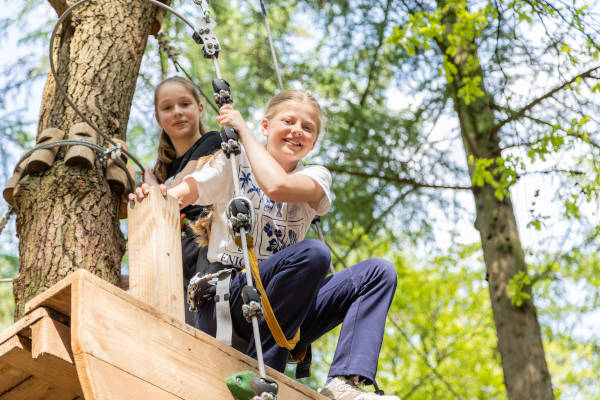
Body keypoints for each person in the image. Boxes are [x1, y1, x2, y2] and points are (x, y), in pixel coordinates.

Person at [133, 90, 399, 399]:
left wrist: (243, 130)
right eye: (288, 121)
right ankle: (268, 367)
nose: (297, 130)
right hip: (232, 299)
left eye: (308, 127)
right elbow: (193, 189)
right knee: (314, 254)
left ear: (313, 142)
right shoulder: (234, 160)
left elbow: (277, 186)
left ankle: (344, 383)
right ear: (266, 127)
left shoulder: (316, 176)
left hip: (284, 305)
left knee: (378, 272)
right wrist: (157, 197)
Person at [141, 76, 222, 325]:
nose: (177, 112)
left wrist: (154, 189)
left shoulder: (213, 141)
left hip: (207, 242)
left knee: (204, 316)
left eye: (184, 104)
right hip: (176, 251)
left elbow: (180, 191)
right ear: (158, 118)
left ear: (199, 109)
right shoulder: (164, 169)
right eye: (167, 108)